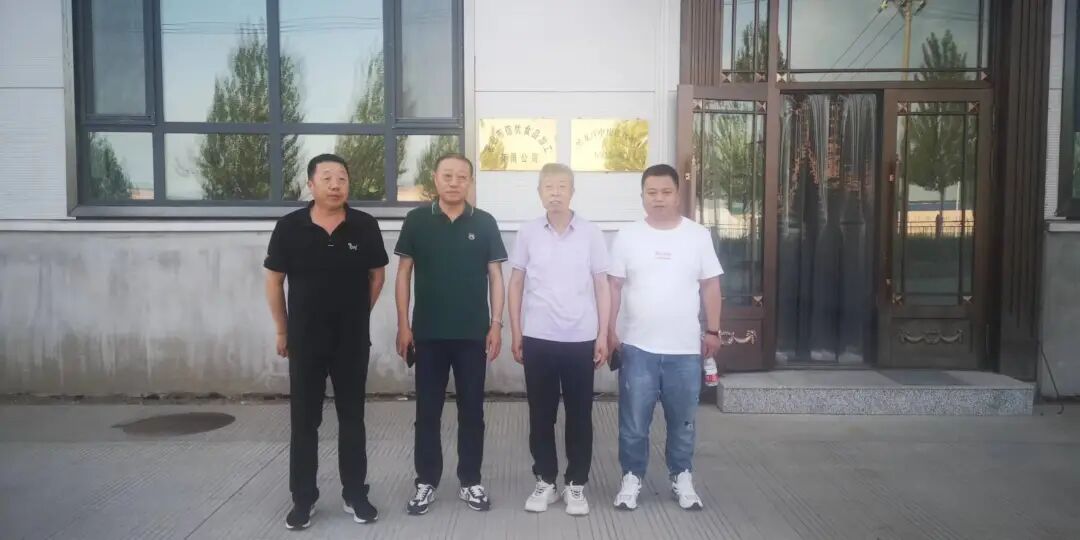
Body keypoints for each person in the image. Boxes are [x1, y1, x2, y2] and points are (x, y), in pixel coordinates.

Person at [264, 153, 389, 529]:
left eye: (342, 178)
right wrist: (283, 330)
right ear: (311, 184)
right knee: (305, 422)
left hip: (351, 341)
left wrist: (357, 314)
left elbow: (377, 276)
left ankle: (356, 495)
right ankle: (303, 499)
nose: (336, 185)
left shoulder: (364, 225)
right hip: (305, 341)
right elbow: (274, 281)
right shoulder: (290, 227)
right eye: (328, 178)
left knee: (353, 419)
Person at [394, 153, 507, 515]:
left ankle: (470, 480)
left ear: (470, 181)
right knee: (427, 412)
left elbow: (496, 276)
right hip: (428, 334)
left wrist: (496, 324)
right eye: (448, 175)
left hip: (473, 335)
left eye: (461, 176)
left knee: (472, 411)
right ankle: (426, 481)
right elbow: (403, 274)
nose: (454, 182)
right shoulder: (416, 221)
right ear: (436, 178)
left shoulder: (485, 222)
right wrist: (403, 324)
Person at [607, 163, 723, 511]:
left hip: (685, 349)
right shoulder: (627, 236)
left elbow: (711, 285)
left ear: (677, 195)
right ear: (642, 196)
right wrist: (609, 331)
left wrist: (713, 330)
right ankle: (632, 477)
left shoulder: (697, 235)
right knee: (633, 423)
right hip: (637, 347)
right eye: (651, 192)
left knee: (683, 422)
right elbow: (614, 287)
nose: (658, 199)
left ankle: (681, 476)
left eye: (666, 192)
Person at [508, 163, 610, 516]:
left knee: (580, 414)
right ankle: (546, 481)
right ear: (539, 193)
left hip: (581, 337)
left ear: (572, 192)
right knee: (541, 413)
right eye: (548, 186)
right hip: (538, 336)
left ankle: (576, 483)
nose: (555, 192)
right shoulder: (528, 233)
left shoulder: (591, 233)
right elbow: (516, 283)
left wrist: (602, 334)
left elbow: (601, 284)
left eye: (562, 186)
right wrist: (516, 331)